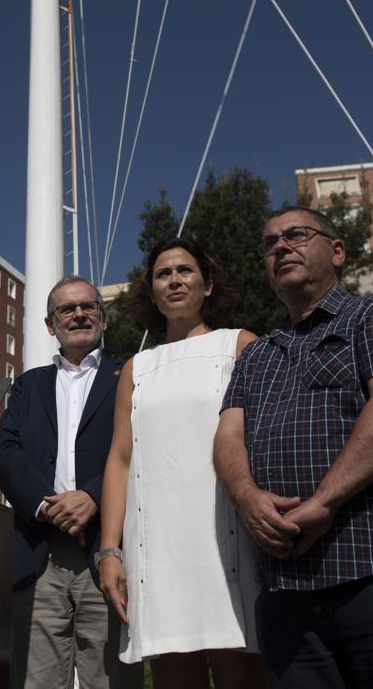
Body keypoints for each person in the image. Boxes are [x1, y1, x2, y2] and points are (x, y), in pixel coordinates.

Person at [214, 206, 373, 688]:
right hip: (287, 591)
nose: (280, 247)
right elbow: (227, 436)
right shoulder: (257, 354)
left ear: (338, 251)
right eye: (269, 244)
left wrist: (323, 503)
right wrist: (246, 497)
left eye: (297, 235)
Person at [97, 237, 266, 688]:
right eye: (162, 274)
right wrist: (109, 551)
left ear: (208, 285)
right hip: (156, 546)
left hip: (229, 533)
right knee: (173, 673)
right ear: (150, 291)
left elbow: (266, 437)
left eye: (184, 270)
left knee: (241, 665)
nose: (174, 280)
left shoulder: (240, 345)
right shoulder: (137, 367)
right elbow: (119, 459)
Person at [0, 276, 143, 689]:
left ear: (103, 317)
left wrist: (93, 497)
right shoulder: (27, 384)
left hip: (109, 550)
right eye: (66, 309)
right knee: (35, 679)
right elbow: (5, 452)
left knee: (110, 676)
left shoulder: (130, 375)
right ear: (49, 324)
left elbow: (140, 447)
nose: (78, 314)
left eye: (87, 306)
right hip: (38, 553)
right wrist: (49, 506)